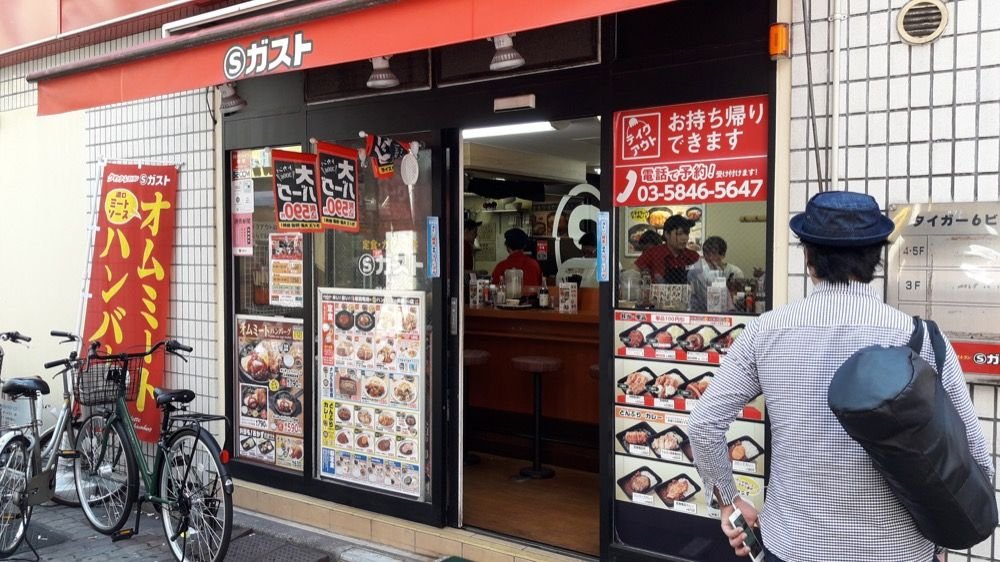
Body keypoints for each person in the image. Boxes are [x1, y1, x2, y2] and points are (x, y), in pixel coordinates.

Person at [688, 191, 992, 562]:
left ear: (807, 256)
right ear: (876, 256)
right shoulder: (922, 337)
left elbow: (703, 424)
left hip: (792, 546)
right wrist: (940, 539)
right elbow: (975, 457)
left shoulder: (765, 331)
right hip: (897, 550)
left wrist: (729, 502)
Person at [634, 215, 699, 284]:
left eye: (687, 233)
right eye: (679, 234)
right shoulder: (653, 253)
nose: (685, 238)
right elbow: (633, 271)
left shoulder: (693, 256)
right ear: (667, 234)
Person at [687, 236, 745, 311]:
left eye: (714, 254)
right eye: (707, 254)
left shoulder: (735, 271)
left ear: (723, 255)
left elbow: (740, 295)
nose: (710, 258)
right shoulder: (698, 273)